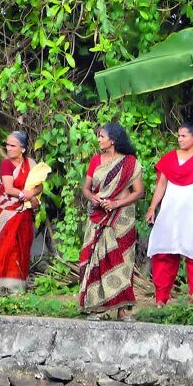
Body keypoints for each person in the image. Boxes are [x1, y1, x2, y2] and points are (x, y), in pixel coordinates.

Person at [145, 123, 193, 306]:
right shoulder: (169, 158)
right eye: (178, 136)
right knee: (164, 254)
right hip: (170, 213)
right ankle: (160, 300)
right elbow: (161, 185)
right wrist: (152, 207)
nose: (180, 139)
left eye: (184, 136)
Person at [78, 123, 144, 320]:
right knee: (96, 258)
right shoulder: (96, 160)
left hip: (121, 220)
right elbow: (86, 188)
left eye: (102, 136)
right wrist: (93, 198)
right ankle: (98, 308)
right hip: (99, 217)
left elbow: (139, 192)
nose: (99, 139)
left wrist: (116, 203)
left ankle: (122, 310)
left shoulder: (130, 162)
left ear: (113, 139)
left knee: (122, 260)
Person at [0, 131, 41, 295]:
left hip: (25, 212)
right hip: (8, 212)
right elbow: (9, 188)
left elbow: (40, 186)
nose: (8, 148)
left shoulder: (31, 164)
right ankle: (1, 286)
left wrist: (33, 195)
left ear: (23, 149)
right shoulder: (6, 164)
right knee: (8, 246)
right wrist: (24, 195)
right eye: (7, 144)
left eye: (13, 145)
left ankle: (17, 288)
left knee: (22, 246)